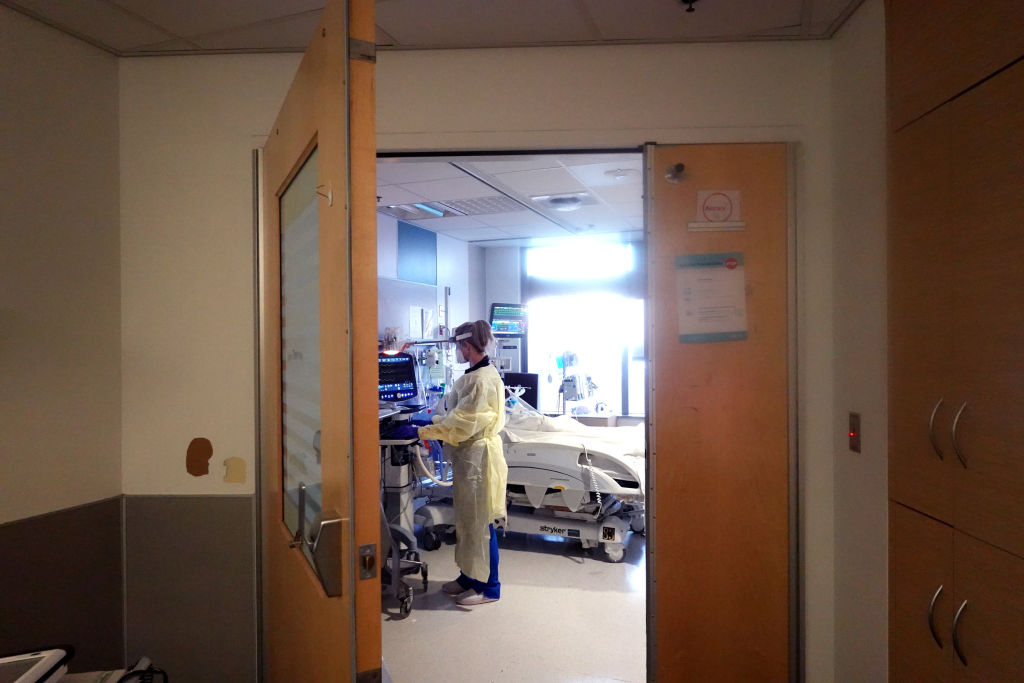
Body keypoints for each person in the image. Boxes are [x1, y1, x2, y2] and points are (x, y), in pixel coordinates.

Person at [417, 320, 508, 606]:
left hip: (479, 460)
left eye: (458, 346)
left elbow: (464, 423)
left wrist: (426, 429)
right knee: (468, 523)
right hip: (468, 460)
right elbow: (459, 415)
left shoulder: (482, 380)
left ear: (467, 346)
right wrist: (433, 422)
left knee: (481, 525)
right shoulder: (473, 375)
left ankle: (489, 588)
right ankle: (469, 577)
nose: (457, 351)